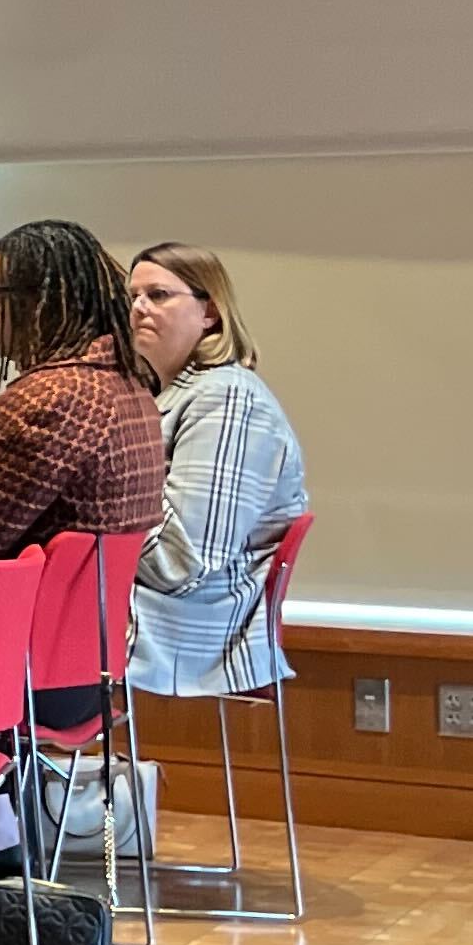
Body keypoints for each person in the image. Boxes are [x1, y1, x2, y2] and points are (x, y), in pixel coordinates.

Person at [124, 242, 308, 699]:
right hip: (156, 613)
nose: (139, 308)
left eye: (159, 295)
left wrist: (104, 497)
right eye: (132, 297)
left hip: (190, 627)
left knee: (1, 631)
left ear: (210, 312)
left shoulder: (227, 399)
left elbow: (182, 565)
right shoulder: (165, 396)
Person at [0, 219, 164, 564]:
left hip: (20, 614)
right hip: (95, 617)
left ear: (43, 300)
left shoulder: (48, 402)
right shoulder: (128, 386)